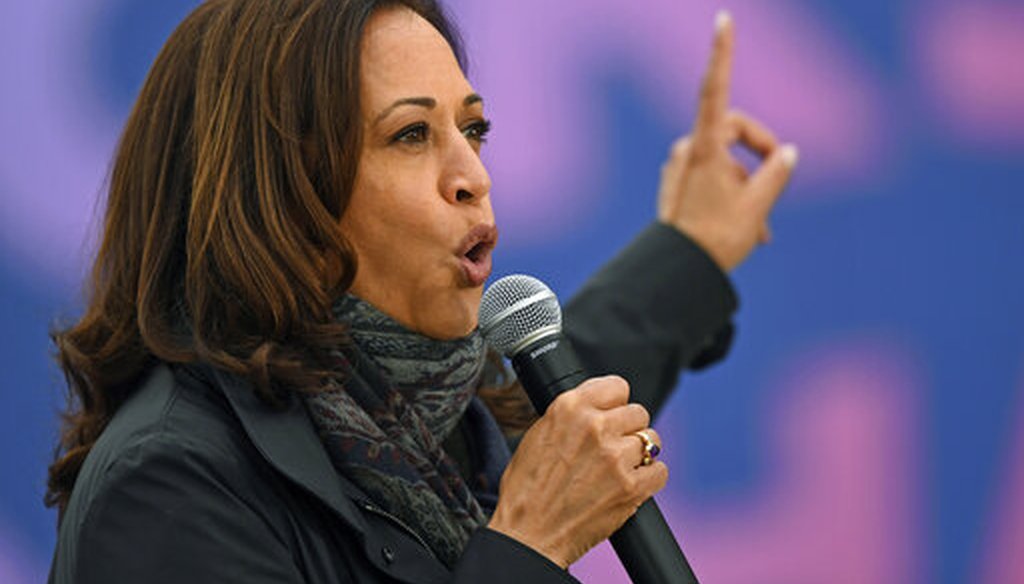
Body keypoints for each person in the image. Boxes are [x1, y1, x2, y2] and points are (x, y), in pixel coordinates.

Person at [46, 1, 796, 582]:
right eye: (411, 135)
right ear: (277, 189)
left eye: (473, 129)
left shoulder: (430, 416)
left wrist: (692, 242)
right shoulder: (166, 485)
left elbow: (580, 380)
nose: (473, 175)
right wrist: (529, 547)